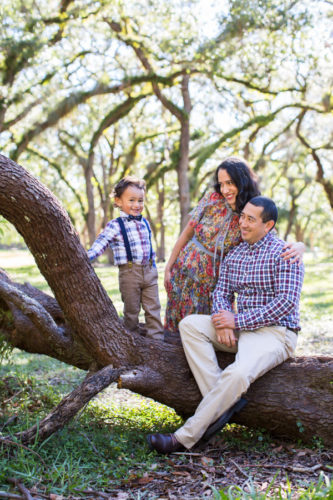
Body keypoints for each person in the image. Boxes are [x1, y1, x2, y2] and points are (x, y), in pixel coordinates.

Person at [147, 196, 304, 453]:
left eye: (250, 219)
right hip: (239, 329)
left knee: (238, 373)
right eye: (242, 216)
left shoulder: (285, 254)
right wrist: (223, 321)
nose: (242, 223)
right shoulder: (236, 253)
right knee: (190, 325)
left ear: (269, 225)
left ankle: (183, 439)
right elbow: (221, 292)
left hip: (275, 333)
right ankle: (222, 404)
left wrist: (237, 320)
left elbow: (285, 304)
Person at [164, 157, 303, 336]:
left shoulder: (252, 208)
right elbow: (187, 232)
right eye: (221, 184)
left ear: (242, 180)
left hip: (213, 283)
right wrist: (169, 265)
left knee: (205, 331)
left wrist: (299, 246)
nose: (225, 189)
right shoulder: (212, 199)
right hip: (184, 271)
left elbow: (270, 234)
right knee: (175, 328)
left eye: (230, 183)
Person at [87, 176, 164, 341]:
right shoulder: (115, 225)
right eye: (132, 200)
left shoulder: (145, 223)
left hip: (150, 271)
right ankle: (132, 339)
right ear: (118, 201)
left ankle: (156, 340)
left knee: (153, 308)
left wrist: (153, 266)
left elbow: (148, 247)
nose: (137, 205)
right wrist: (87, 257)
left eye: (140, 200)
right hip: (129, 273)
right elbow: (101, 243)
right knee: (131, 310)